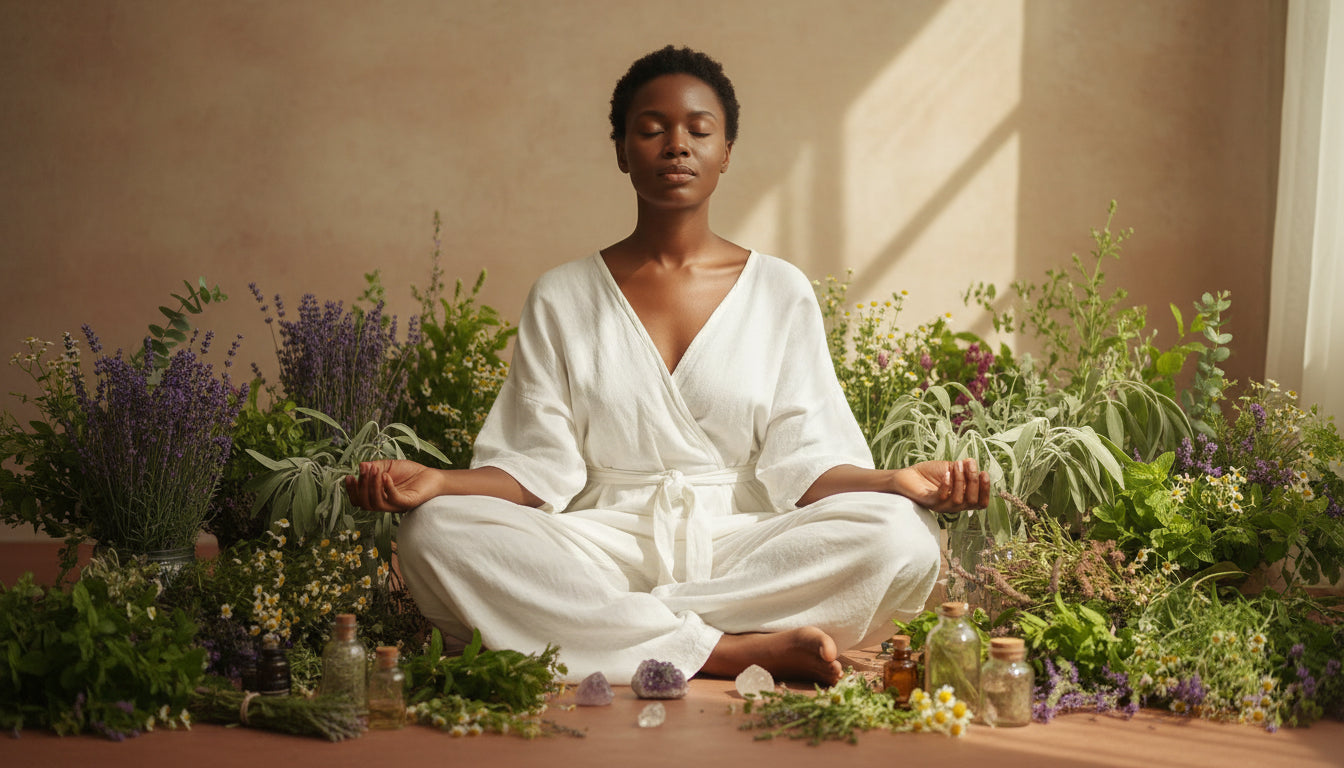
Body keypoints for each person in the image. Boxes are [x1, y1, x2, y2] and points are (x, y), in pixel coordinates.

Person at [344, 45, 990, 686]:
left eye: (698, 130)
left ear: (726, 151)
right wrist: (438, 482)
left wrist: (895, 481)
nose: (675, 145)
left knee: (898, 536)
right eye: (651, 130)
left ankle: (611, 632)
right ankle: (724, 651)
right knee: (435, 532)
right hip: (603, 542)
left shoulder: (778, 290)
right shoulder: (563, 294)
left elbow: (804, 461)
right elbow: (539, 467)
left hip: (745, 542)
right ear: (622, 150)